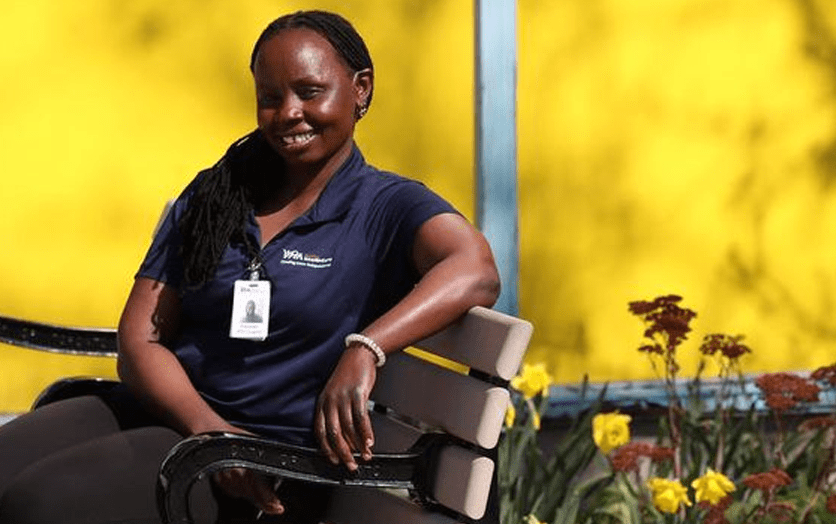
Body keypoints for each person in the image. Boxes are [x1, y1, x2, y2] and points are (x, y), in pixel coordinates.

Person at [0, 10, 500, 524]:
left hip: (264, 467)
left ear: (361, 90)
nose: (288, 113)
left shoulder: (385, 206)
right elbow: (140, 338)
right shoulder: (221, 193)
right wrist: (207, 429)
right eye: (270, 97)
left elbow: (476, 268)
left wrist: (366, 349)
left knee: (37, 506)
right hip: (181, 423)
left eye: (310, 92)